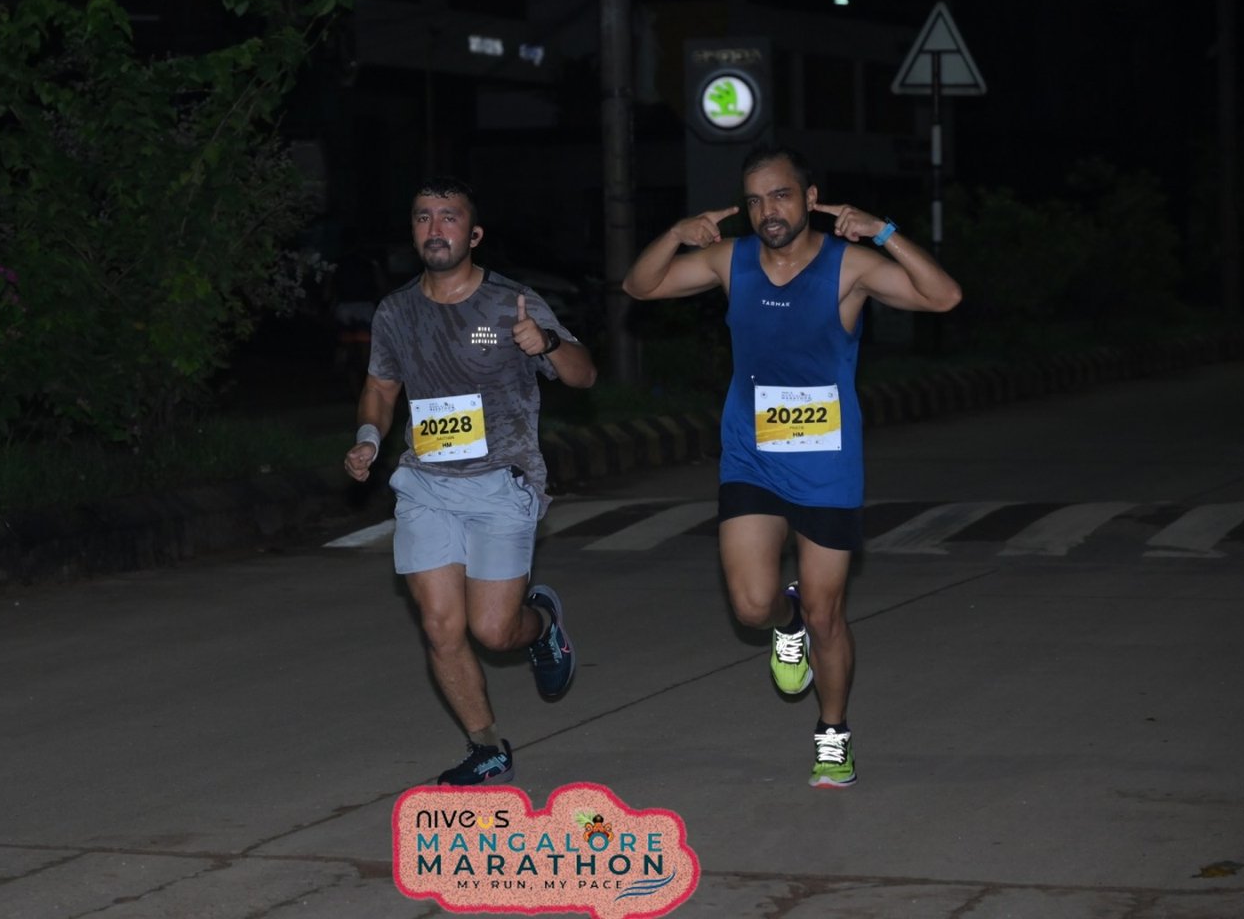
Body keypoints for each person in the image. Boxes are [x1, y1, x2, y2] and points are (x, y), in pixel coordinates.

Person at [621, 145, 961, 788]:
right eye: (754, 201)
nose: (767, 211)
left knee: (828, 614)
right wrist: (674, 235)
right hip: (750, 457)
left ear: (810, 199)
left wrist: (884, 231)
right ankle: (787, 623)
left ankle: (833, 733)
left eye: (780, 196)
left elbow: (943, 297)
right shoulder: (731, 260)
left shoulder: (848, 265)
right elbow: (640, 287)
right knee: (753, 606)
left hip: (826, 465)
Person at [344, 175, 598, 786]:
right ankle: (486, 746)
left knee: (493, 630)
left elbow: (584, 375)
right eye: (423, 217)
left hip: (500, 483)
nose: (435, 228)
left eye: (449, 217)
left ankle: (542, 626)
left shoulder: (513, 302)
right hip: (426, 484)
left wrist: (547, 342)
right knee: (440, 626)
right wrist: (369, 438)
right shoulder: (397, 311)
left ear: (474, 234)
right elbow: (381, 388)